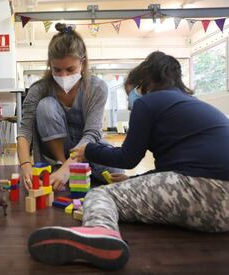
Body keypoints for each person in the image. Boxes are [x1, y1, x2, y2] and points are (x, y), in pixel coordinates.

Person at [27, 51, 229, 270]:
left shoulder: (149, 102)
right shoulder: (191, 104)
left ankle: (98, 231)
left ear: (143, 84)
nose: (131, 102)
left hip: (206, 192)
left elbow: (128, 157)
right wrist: (134, 181)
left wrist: (89, 150)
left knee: (101, 194)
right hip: (219, 205)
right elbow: (173, 170)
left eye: (129, 94)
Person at [17, 23, 122, 191]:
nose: (63, 75)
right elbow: (24, 132)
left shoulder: (96, 87)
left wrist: (69, 169)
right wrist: (26, 165)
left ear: (83, 63)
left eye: (70, 69)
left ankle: (66, 170)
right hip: (53, 158)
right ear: (49, 64)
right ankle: (59, 166)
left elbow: (92, 134)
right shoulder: (39, 89)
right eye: (56, 69)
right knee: (46, 106)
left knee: (116, 170)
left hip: (86, 151)